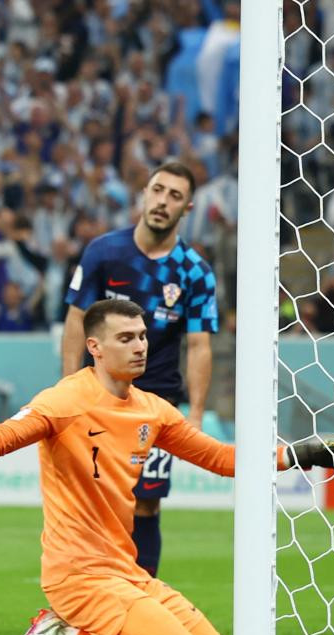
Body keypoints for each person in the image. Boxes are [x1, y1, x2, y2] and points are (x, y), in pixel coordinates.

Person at [0, 300, 334, 635]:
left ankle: (72, 633)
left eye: (142, 336)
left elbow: (222, 459)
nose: (140, 345)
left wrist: (303, 452)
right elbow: (1, 438)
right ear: (95, 348)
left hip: (126, 569)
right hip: (78, 576)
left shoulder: (152, 409)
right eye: (126, 338)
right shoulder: (64, 401)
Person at [60, 161, 217, 577]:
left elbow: (199, 345)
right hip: (98, 398)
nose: (163, 201)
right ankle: (85, 598)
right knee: (93, 499)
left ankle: (144, 599)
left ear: (188, 208)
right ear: (144, 194)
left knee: (146, 501)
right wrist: (66, 388)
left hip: (157, 403)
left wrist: (196, 413)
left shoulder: (194, 272)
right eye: (158, 190)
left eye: (175, 196)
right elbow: (76, 321)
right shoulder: (104, 253)